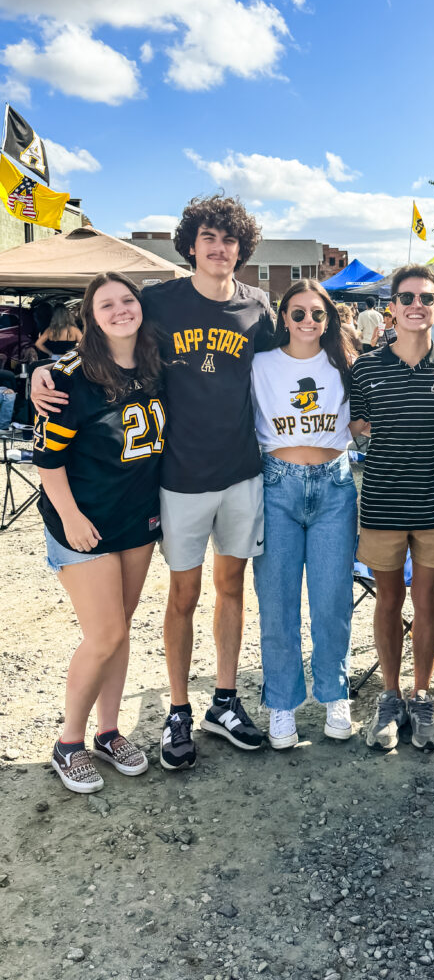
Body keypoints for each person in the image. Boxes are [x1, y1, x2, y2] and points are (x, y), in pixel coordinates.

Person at [32, 195, 275, 771]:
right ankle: (171, 713)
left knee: (226, 592)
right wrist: (44, 370)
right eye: (208, 238)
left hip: (233, 476)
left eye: (230, 240)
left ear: (243, 248)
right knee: (168, 604)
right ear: (189, 244)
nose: (219, 249)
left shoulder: (259, 309)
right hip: (176, 484)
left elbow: (295, 359)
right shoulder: (156, 301)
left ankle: (216, 702)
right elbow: (103, 333)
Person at [33, 272, 164, 793]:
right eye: (105, 304)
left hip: (136, 516)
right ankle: (69, 741)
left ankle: (109, 731)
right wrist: (68, 516)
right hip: (83, 519)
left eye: (127, 300)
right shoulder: (69, 374)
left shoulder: (157, 363)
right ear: (90, 315)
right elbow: (47, 459)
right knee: (104, 632)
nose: (119, 310)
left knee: (122, 627)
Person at [350, 264, 434, 753]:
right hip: (382, 502)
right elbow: (356, 423)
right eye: (407, 297)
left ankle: (422, 696)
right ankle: (389, 696)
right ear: (391, 307)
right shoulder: (367, 367)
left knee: (427, 600)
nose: (417, 305)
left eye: (427, 298)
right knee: (388, 600)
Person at [251, 280, 357, 748]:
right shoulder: (260, 365)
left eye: (318, 313)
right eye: (298, 313)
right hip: (276, 485)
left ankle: (335, 694)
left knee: (332, 600)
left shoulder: (346, 364)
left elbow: (369, 417)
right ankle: (281, 704)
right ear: (284, 319)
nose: (308, 322)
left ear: (330, 318)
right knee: (277, 603)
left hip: (334, 485)